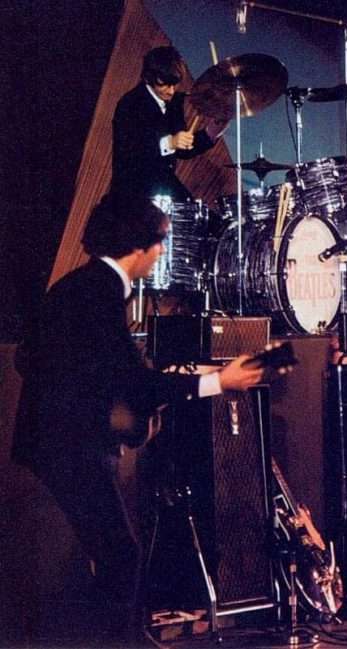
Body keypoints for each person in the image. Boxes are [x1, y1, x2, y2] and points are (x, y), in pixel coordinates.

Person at [11, 194, 264, 644]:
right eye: (161, 242)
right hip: (66, 445)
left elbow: (36, 359)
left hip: (61, 441)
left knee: (117, 553)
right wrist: (219, 381)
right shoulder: (97, 294)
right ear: (137, 247)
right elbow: (133, 384)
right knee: (120, 555)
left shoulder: (83, 287)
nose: (163, 252)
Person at [111, 46, 228, 202]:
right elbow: (130, 153)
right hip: (133, 191)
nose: (170, 91)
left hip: (163, 186)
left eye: (174, 85)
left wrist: (210, 134)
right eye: (163, 85)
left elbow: (182, 150)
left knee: (206, 221)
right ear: (147, 78)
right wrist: (170, 142)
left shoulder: (174, 102)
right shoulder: (130, 104)